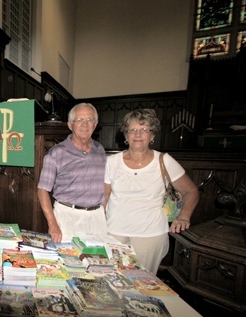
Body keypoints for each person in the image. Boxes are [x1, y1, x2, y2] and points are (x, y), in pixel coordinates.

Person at [104, 109, 199, 275]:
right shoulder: (111, 162)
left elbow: (191, 191)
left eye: (144, 129)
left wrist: (184, 216)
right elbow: (104, 197)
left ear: (152, 135)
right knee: (112, 279)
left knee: (142, 283)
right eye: (132, 130)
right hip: (114, 233)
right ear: (126, 136)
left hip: (150, 235)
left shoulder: (164, 161)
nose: (138, 134)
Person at [37, 103, 108, 243]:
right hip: (67, 217)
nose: (85, 125)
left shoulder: (100, 150)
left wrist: (102, 211)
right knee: (66, 262)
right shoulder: (57, 153)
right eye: (79, 120)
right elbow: (42, 190)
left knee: (98, 262)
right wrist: (52, 224)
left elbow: (107, 185)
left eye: (89, 120)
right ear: (70, 125)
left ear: (95, 124)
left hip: (96, 219)